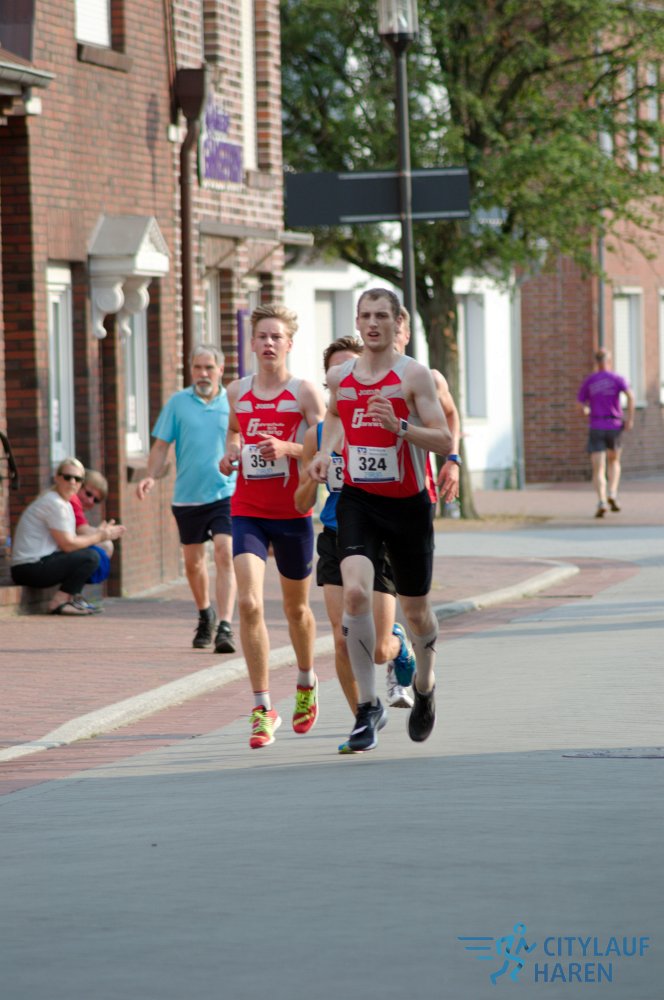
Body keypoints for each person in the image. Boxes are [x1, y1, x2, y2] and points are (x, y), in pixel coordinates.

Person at [310, 288, 452, 753]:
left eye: (381, 316)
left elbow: (445, 439)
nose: (373, 324)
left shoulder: (414, 376)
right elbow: (335, 416)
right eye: (365, 316)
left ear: (396, 323)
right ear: (357, 322)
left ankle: (425, 685)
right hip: (359, 501)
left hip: (408, 506)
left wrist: (400, 428)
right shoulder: (341, 376)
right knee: (354, 593)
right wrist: (325, 452)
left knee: (416, 612)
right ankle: (368, 706)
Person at [219, 304, 326, 749]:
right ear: (251, 342)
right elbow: (233, 432)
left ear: (288, 344)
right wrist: (230, 453)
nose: (268, 343)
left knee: (296, 610)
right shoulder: (236, 392)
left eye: (275, 337)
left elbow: (327, 447)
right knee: (248, 603)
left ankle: (306, 682)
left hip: (293, 512)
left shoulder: (305, 392)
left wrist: (288, 447)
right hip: (247, 509)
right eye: (261, 336)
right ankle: (263, 708)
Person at [294, 336, 418, 714]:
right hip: (335, 535)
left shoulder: (383, 420)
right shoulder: (316, 435)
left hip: (378, 536)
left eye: (353, 367)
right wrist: (312, 476)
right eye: (338, 371)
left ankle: (398, 644)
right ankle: (363, 717)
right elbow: (300, 502)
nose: (346, 376)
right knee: (342, 639)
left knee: (377, 649)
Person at [136, 344, 237, 653]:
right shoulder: (178, 403)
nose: (203, 374)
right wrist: (150, 476)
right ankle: (205, 614)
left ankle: (225, 626)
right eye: (197, 368)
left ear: (220, 370)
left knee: (224, 551)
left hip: (225, 492)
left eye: (209, 367)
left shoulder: (233, 402)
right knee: (193, 564)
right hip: (188, 497)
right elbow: (160, 446)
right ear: (191, 370)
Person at [10, 457, 125, 616]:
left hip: (36, 564)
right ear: (57, 478)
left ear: (81, 483)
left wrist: (100, 535)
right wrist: (100, 536)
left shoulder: (63, 504)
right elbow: (68, 545)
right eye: (67, 477)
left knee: (91, 555)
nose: (72, 482)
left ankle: (70, 598)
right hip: (28, 569)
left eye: (77, 479)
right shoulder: (54, 503)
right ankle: (60, 602)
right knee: (91, 557)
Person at [395, 307, 462, 507]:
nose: (390, 339)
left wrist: (453, 459)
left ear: (407, 336)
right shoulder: (361, 380)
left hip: (416, 490)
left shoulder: (429, 379)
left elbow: (450, 414)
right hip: (367, 494)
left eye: (396, 332)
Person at [577, 348, 635, 518]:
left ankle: (602, 500)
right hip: (614, 425)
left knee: (598, 467)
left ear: (596, 362)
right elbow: (631, 396)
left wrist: (586, 410)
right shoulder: (617, 379)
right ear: (609, 361)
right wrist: (630, 419)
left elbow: (580, 405)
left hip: (596, 425)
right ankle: (612, 493)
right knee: (614, 461)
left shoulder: (590, 381)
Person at [70, 469, 116, 588]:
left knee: (102, 548)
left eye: (96, 500)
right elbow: (82, 530)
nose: (90, 501)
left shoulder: (75, 503)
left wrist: (102, 534)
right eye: (88, 494)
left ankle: (72, 592)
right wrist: (104, 534)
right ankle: (69, 593)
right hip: (42, 558)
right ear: (79, 485)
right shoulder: (72, 500)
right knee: (103, 548)